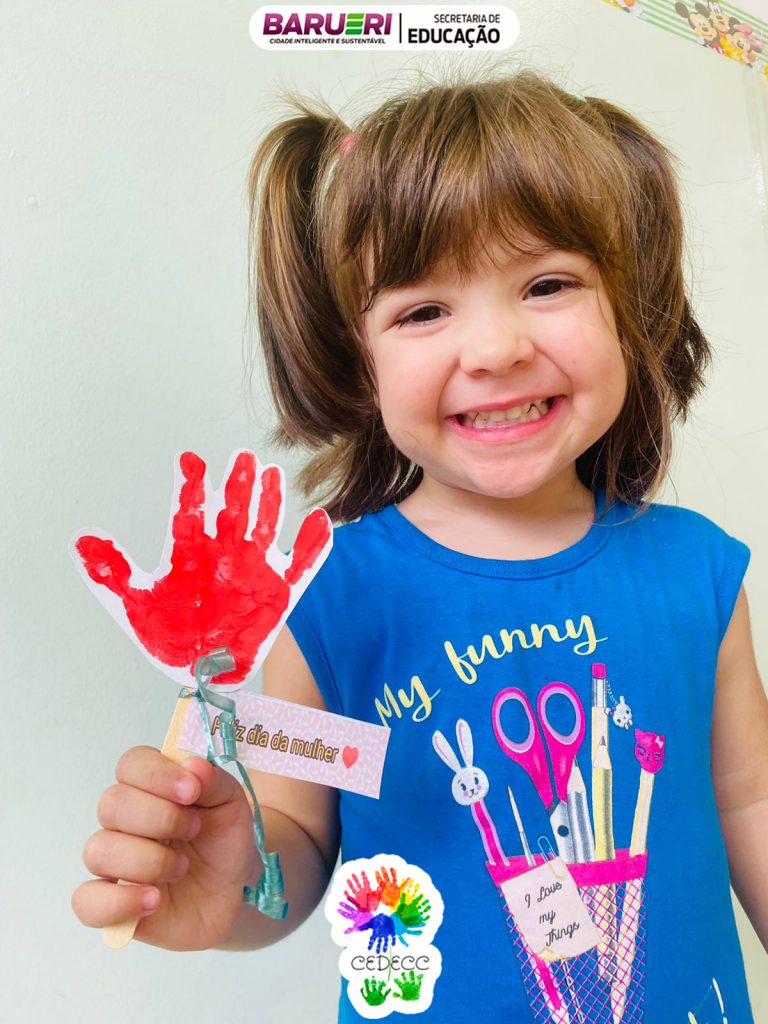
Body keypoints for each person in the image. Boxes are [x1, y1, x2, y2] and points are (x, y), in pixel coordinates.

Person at [72, 68, 768, 1022]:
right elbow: (298, 838)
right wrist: (234, 880)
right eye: (423, 311)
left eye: (549, 283)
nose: (495, 348)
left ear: (627, 303)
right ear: (355, 357)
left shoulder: (697, 573)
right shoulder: (326, 600)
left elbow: (750, 802)